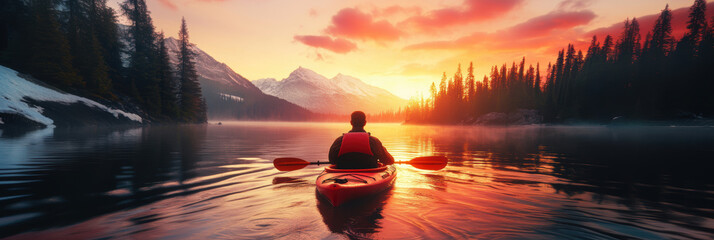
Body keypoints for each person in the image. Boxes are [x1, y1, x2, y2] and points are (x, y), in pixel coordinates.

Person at [329, 111, 394, 169]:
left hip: (342, 175)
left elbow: (332, 160)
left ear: (351, 123)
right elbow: (389, 161)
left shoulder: (339, 141)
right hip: (370, 175)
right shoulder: (373, 141)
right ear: (365, 123)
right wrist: (383, 149)